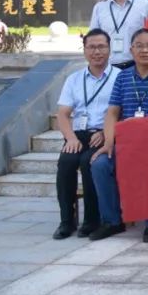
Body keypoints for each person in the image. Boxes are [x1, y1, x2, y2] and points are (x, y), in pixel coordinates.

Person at [90, 29, 148, 242]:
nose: (144, 50)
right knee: (100, 164)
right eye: (139, 46)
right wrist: (109, 142)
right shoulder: (122, 77)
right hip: (127, 144)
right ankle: (113, 221)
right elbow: (112, 113)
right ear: (131, 50)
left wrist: (144, 127)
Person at [52, 30, 116, 240]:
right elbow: (63, 114)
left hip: (103, 133)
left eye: (101, 47)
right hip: (78, 134)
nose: (97, 52)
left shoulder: (119, 77)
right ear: (84, 50)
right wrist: (70, 138)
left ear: (109, 49)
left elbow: (121, 113)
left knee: (90, 162)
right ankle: (66, 221)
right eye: (92, 47)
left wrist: (105, 133)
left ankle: (91, 220)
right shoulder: (74, 79)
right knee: (66, 162)